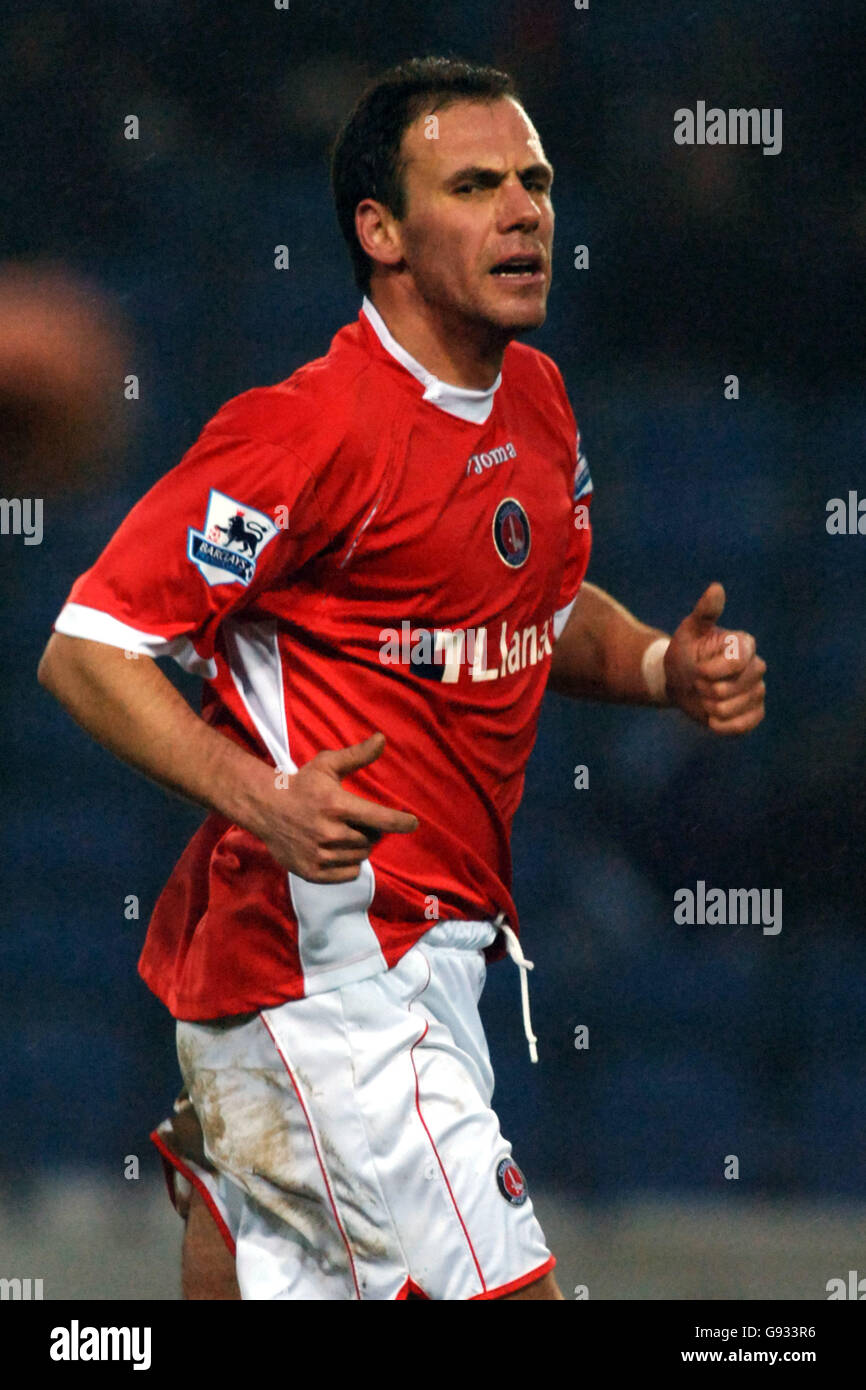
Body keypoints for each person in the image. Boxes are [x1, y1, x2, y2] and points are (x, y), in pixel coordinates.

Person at [37, 56, 766, 1301]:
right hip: (335, 975)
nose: (524, 210)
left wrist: (655, 663)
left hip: (394, 973)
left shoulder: (532, 399)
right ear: (378, 230)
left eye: (531, 180)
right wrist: (262, 797)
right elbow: (87, 646)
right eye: (474, 184)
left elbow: (533, 607)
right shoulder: (305, 431)